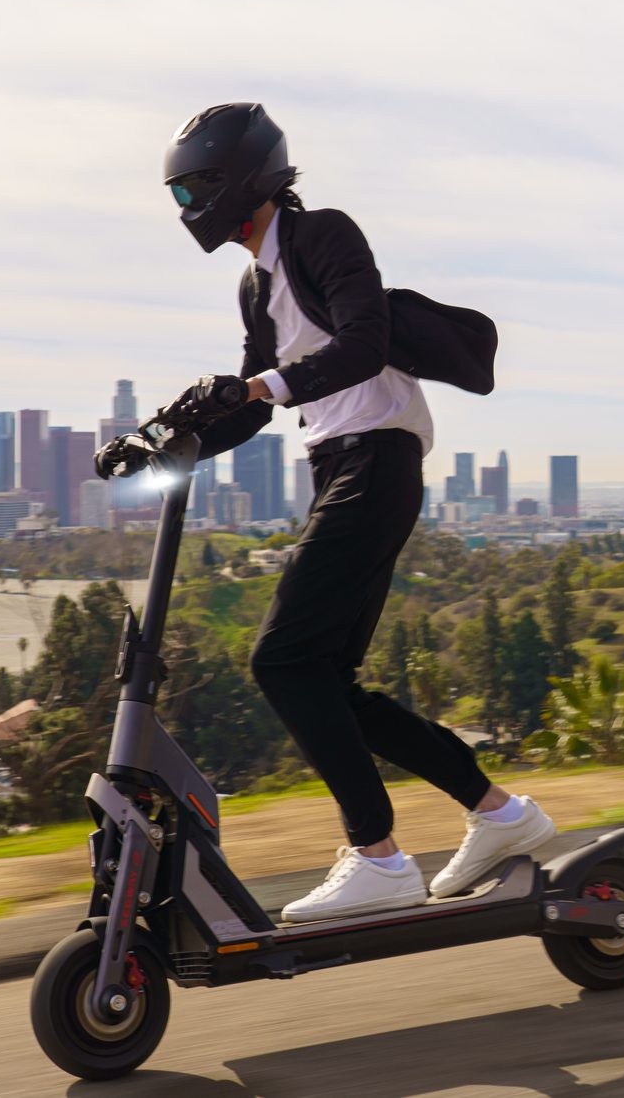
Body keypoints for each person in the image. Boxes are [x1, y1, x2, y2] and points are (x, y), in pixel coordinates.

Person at [135, 101, 556, 922]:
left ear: (238, 181)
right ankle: (503, 814)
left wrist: (256, 384)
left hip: (379, 456)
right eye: (178, 198)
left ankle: (378, 855)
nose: (187, 211)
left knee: (281, 660)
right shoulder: (255, 286)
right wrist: (171, 439)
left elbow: (363, 341)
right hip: (342, 465)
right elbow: (256, 406)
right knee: (327, 679)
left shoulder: (325, 235)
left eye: (194, 193)